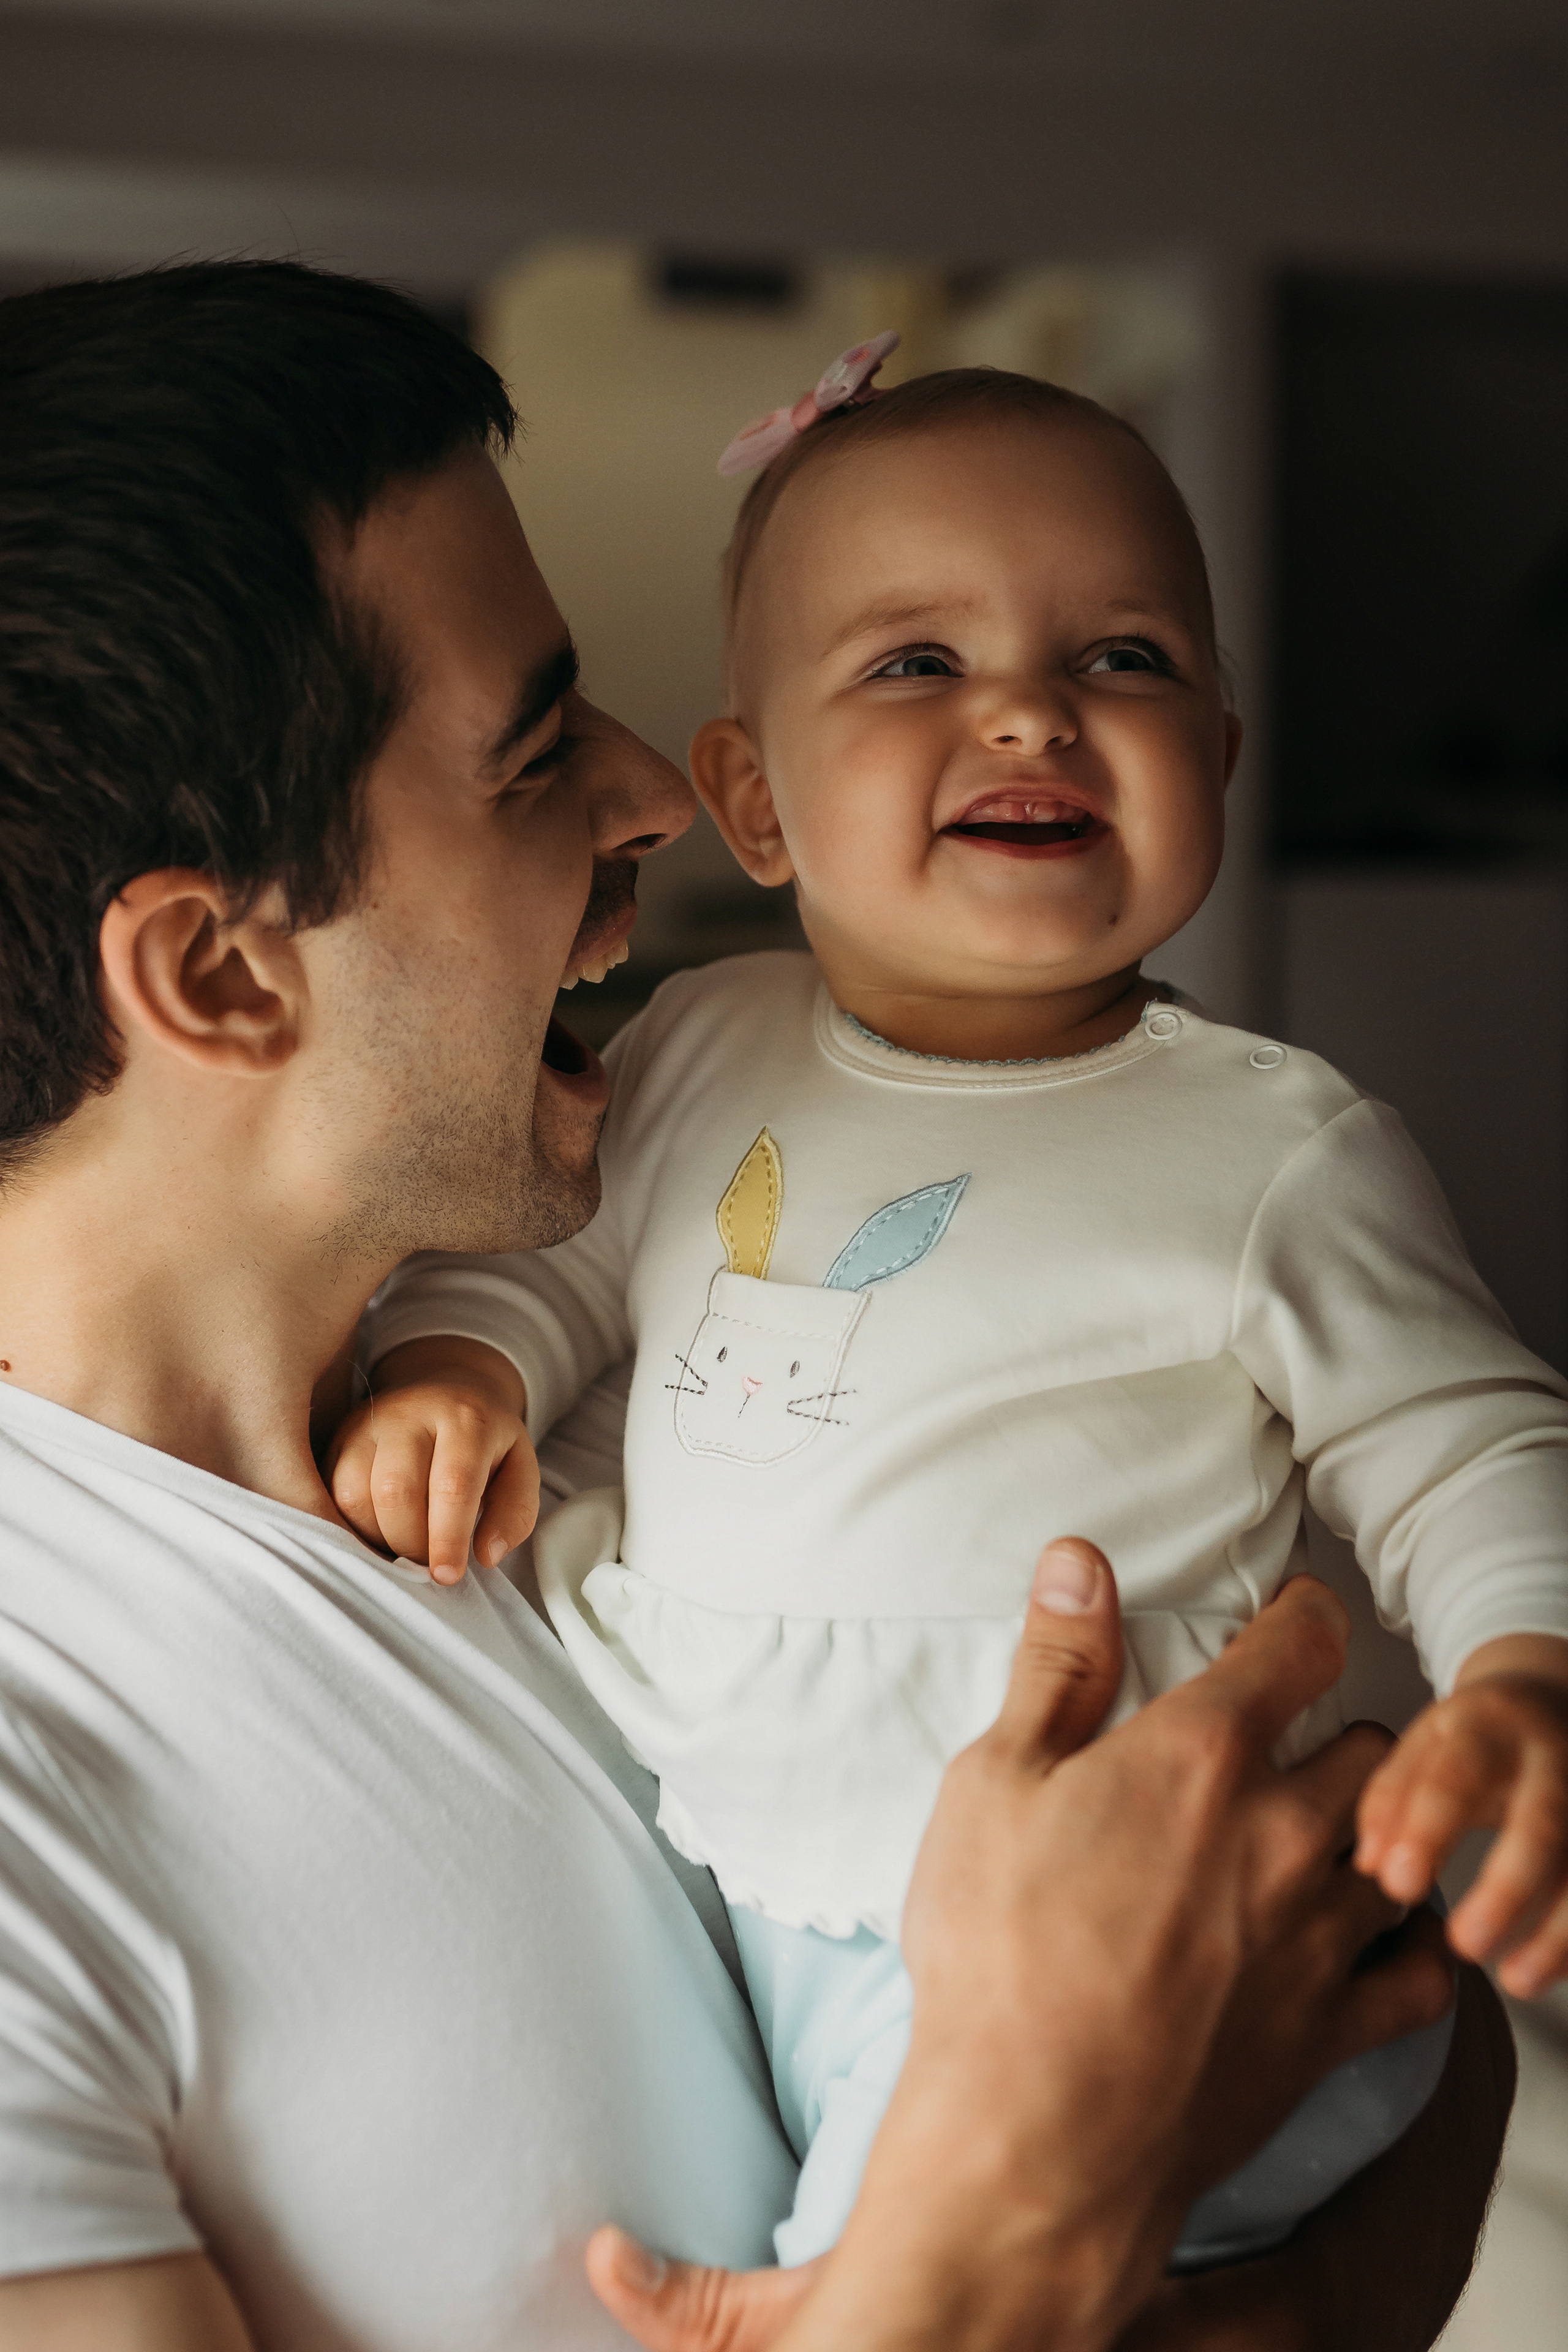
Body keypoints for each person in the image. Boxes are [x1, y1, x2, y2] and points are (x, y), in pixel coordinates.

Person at [0, 264, 1507, 2352]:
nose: (659, 794)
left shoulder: (595, 1388)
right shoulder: (32, 1793)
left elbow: (1375, 2034)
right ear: (228, 977)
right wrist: (1025, 2196)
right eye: (536, 757)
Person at [341, 348, 1568, 2274]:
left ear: (1219, 765)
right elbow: (557, 1269)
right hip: (761, 1855)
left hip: (1105, 1905)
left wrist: (1523, 1665)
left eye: (1127, 661)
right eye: (918, 665)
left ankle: (852, 2308)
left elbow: (1470, 1442)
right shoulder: (696, 1046)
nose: (1030, 714)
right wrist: (457, 1367)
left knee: (941, 2181)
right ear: (753, 794)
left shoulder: (1273, 1147)